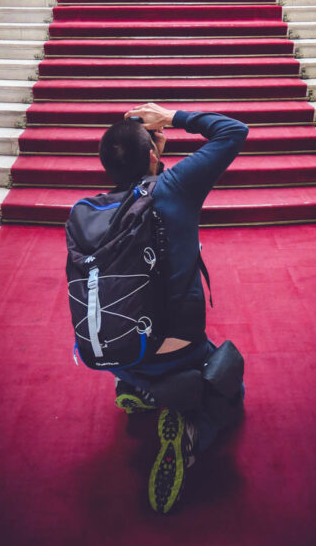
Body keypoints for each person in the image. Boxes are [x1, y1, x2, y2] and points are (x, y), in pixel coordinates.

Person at [98, 101, 248, 513]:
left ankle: (134, 387)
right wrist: (173, 119)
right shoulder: (176, 187)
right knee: (230, 386)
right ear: (153, 155)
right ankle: (193, 432)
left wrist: (149, 158)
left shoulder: (90, 211)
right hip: (178, 348)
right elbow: (234, 131)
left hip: (114, 351)